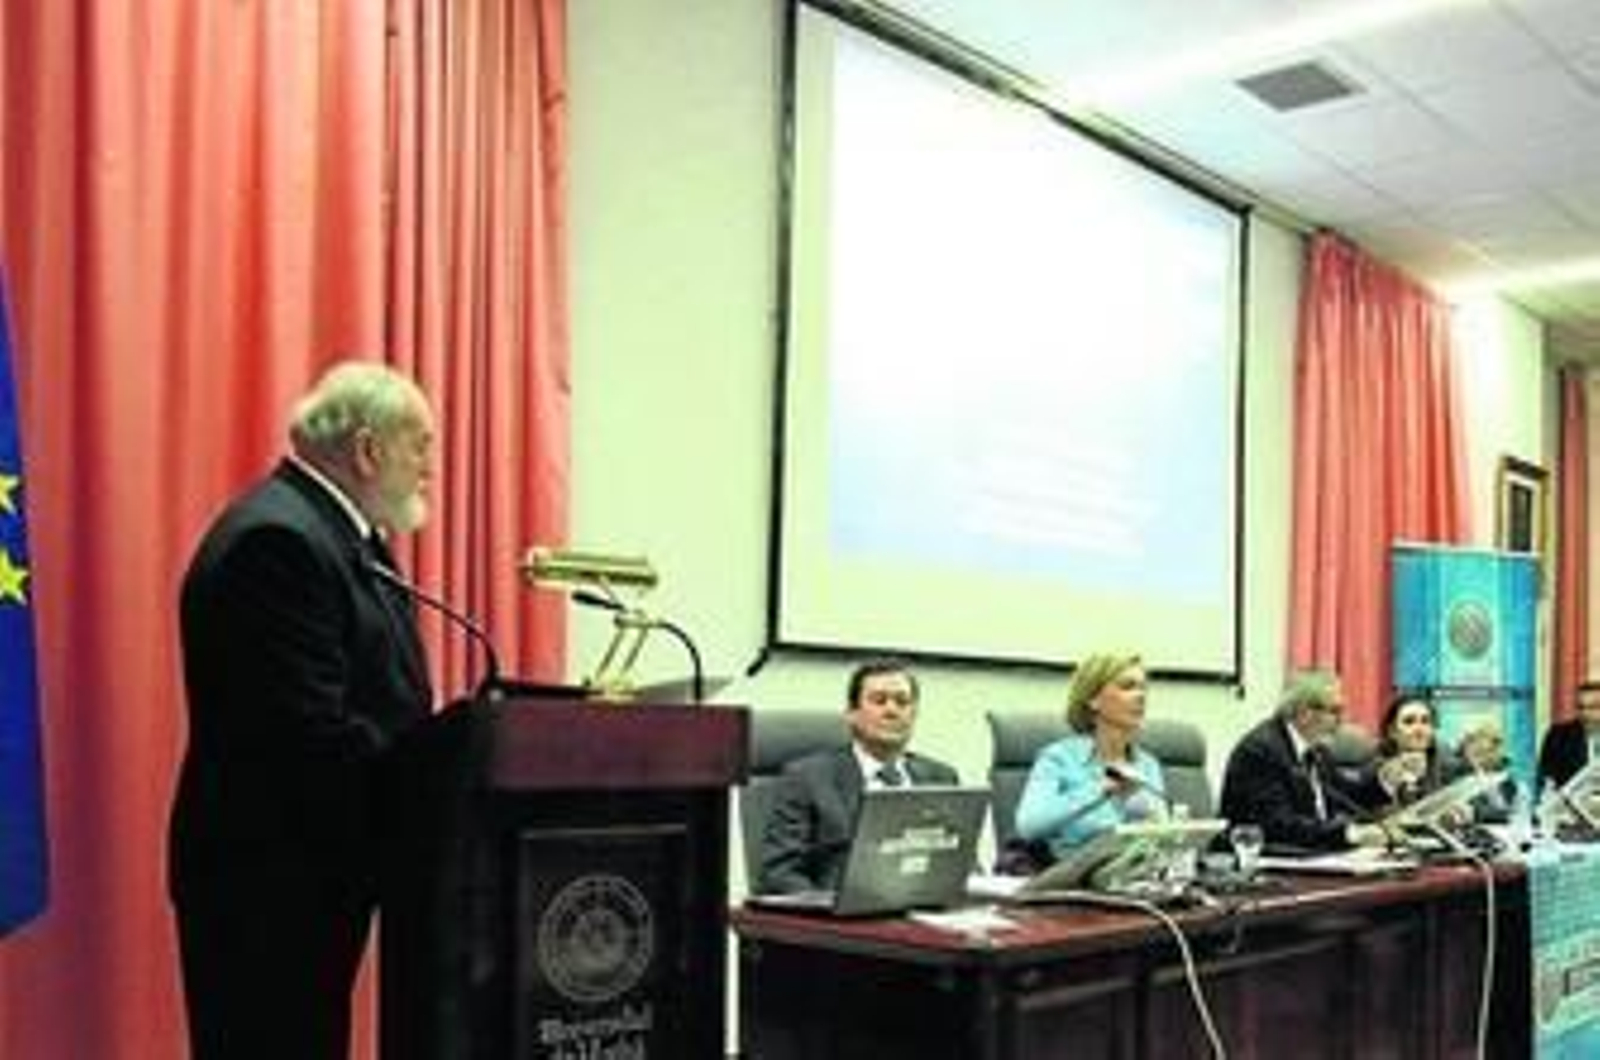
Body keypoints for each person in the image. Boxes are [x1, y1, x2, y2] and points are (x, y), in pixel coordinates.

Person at [168, 361, 437, 1060]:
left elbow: (387, 696)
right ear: (369, 450)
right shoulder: (279, 541)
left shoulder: (341, 535)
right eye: (421, 446)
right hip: (266, 880)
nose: (430, 468)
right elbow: (305, 734)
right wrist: (429, 789)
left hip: (313, 872)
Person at [757, 658, 959, 894]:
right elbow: (779, 872)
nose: (892, 711)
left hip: (923, 909)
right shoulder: (808, 779)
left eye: (902, 702)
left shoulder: (941, 779)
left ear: (914, 715)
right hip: (841, 911)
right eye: (879, 701)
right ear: (852, 714)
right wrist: (829, 908)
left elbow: (960, 864)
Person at [1014, 653, 1167, 860]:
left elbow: (1163, 837)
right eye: (1127, 687)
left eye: (1143, 688)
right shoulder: (1059, 758)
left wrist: (1139, 808)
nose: (1141, 696)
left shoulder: (1148, 764)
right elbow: (1028, 825)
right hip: (1072, 872)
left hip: (1132, 871)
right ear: (1093, 699)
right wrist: (1100, 790)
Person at [1219, 669, 1390, 851]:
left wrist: (1387, 780)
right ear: (1304, 713)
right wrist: (1347, 833)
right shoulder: (1261, 751)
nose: (1341, 721)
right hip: (1273, 859)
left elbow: (1346, 795)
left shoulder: (1317, 751)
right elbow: (1277, 824)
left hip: (1313, 853)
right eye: (1335, 711)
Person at [1372, 694, 1469, 805]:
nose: (1419, 729)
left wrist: (1468, 810)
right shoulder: (1375, 770)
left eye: (1425, 721)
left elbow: (1480, 804)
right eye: (1409, 722)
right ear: (1392, 731)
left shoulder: (1451, 768)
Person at [1538, 680, 1600, 789]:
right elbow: (1546, 779)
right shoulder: (1558, 736)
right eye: (1581, 707)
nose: (1585, 713)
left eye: (1593, 707)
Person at [1457, 720, 1516, 824]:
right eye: (1490, 749)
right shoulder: (1457, 772)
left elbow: (1514, 809)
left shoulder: (1504, 778)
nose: (1495, 754)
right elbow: (1473, 811)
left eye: (1495, 749)